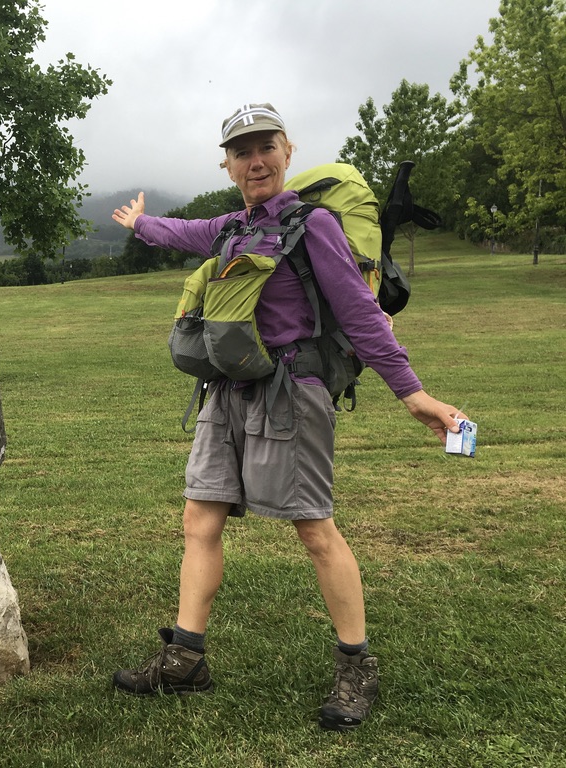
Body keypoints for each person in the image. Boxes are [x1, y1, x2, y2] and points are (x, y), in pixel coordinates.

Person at [109, 102, 466, 731]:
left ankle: (356, 664)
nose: (255, 161)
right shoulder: (229, 227)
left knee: (314, 528)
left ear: (288, 152)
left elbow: (359, 315)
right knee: (200, 517)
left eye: (265, 147)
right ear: (227, 164)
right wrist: (140, 223)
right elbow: (177, 233)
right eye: (242, 151)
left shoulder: (314, 226)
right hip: (225, 391)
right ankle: (186, 658)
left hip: (290, 393)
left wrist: (415, 395)